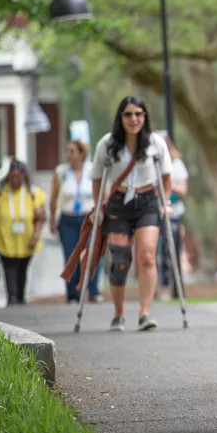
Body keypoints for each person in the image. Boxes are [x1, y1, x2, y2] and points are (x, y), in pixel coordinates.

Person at [80, 95, 173, 332]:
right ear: (120, 117)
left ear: (145, 117)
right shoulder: (107, 144)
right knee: (120, 260)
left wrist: (165, 202)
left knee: (147, 256)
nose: (134, 119)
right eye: (128, 114)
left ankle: (144, 313)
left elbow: (166, 176)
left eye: (138, 114)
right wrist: (98, 206)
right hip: (118, 202)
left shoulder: (155, 144)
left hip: (147, 201)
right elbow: (97, 177)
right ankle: (119, 313)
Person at [0, 160, 47, 305]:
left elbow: (40, 218)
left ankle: (21, 297)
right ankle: (12, 297)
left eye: (18, 176)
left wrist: (35, 236)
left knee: (22, 269)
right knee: (9, 267)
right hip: (5, 240)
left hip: (26, 240)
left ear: (24, 176)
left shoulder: (33, 193)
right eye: (12, 176)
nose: (15, 179)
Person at [50, 140, 103, 303]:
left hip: (89, 218)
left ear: (82, 154)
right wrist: (52, 219)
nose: (68, 155)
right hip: (68, 219)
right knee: (70, 256)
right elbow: (54, 198)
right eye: (67, 151)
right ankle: (72, 294)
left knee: (92, 253)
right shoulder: (61, 172)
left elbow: (101, 193)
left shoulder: (92, 170)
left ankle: (93, 291)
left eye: (72, 151)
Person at [155, 131, 189, 301]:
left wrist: (167, 184)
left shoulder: (177, 164)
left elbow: (183, 190)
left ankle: (173, 289)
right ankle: (159, 288)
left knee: (171, 252)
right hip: (154, 213)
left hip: (173, 213)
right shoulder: (151, 164)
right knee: (156, 252)